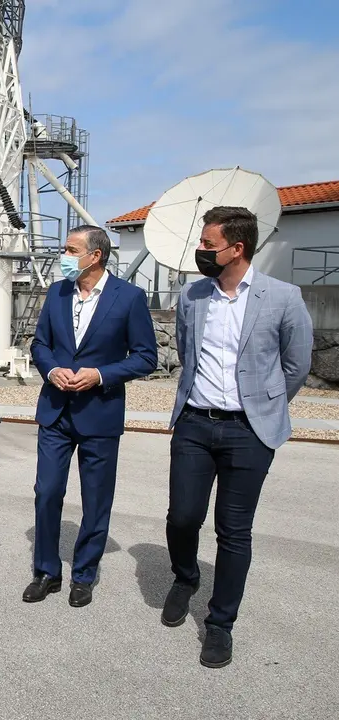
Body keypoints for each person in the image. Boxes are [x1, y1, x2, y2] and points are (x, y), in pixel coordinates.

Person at [163, 206, 313, 668]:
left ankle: (220, 624)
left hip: (249, 431)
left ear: (237, 248)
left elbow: (296, 365)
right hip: (194, 423)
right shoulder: (192, 295)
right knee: (183, 517)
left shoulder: (283, 296)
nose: (201, 251)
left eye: (209, 245)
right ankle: (185, 577)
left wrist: (263, 405)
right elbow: (187, 350)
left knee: (233, 530)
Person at [27, 226, 158, 607]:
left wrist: (100, 375)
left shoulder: (129, 297)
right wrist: (52, 370)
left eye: (71, 250)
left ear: (95, 255)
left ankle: (83, 574)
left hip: (100, 412)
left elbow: (145, 357)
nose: (64, 256)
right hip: (56, 411)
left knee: (96, 499)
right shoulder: (57, 292)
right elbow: (40, 344)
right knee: (47, 492)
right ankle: (46, 571)